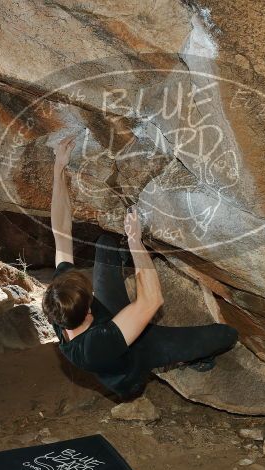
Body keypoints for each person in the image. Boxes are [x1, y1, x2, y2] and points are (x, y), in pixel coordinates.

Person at [41, 134, 239, 399]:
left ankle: (127, 304)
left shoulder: (60, 303)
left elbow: (61, 232)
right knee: (225, 335)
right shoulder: (93, 348)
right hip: (134, 356)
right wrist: (135, 242)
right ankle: (184, 361)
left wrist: (59, 167)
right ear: (88, 308)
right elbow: (152, 301)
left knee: (105, 245)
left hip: (111, 319)